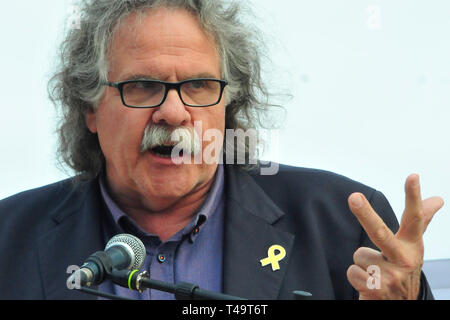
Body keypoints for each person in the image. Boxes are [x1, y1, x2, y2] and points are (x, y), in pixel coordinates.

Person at [0, 0, 443, 300]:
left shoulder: (341, 225)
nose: (173, 113)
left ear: (228, 105)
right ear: (89, 110)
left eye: (197, 85)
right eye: (142, 86)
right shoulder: (8, 241)